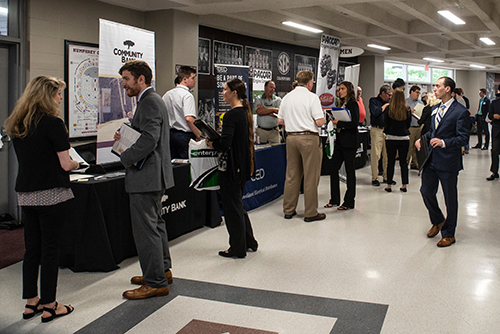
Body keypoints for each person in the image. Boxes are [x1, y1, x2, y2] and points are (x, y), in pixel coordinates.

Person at [4, 76, 77, 322]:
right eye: (57, 94)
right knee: (50, 249)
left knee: (31, 249)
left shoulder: (17, 124)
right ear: (47, 95)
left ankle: (31, 301)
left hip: (26, 193)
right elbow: (65, 163)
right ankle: (50, 304)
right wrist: (77, 163)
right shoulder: (53, 123)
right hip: (52, 194)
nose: (60, 98)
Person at [115, 60, 175, 299]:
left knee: (146, 230)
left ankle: (155, 281)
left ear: (141, 79)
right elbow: (148, 135)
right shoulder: (152, 101)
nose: (124, 85)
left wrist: (125, 156)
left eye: (127, 79)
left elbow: (149, 139)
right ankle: (161, 269)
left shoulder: (149, 101)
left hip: (146, 175)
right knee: (156, 225)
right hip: (153, 175)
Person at [206, 78, 258, 258]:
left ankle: (237, 247)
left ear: (234, 92)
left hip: (231, 168)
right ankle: (248, 241)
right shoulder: (244, 113)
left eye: (225, 89)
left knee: (231, 209)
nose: (223, 92)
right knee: (237, 205)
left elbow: (225, 143)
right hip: (242, 167)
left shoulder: (231, 115)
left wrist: (212, 143)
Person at [416, 76, 470, 247]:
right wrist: (422, 139)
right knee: (426, 191)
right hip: (431, 159)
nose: (434, 89)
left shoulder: (460, 112)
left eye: (438, 86)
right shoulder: (435, 109)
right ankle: (438, 220)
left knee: (450, 198)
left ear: (448, 89)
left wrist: (444, 142)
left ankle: (449, 233)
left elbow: (463, 138)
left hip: (448, 162)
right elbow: (433, 131)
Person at [278, 70, 326, 222]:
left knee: (292, 175)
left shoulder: (287, 97)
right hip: (309, 138)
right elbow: (319, 122)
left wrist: (294, 121)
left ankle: (288, 210)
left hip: (291, 138)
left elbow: (280, 121)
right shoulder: (312, 98)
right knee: (311, 177)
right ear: (310, 82)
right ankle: (310, 212)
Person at [325, 81, 359, 210]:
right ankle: (334, 199)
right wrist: (333, 120)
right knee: (333, 169)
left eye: (343, 88)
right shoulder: (341, 104)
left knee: (350, 172)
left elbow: (354, 123)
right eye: (339, 89)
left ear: (349, 90)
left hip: (350, 142)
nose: (340, 91)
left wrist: (339, 123)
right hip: (339, 142)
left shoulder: (352, 104)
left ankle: (349, 201)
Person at [162, 66, 201, 159]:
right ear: (184, 79)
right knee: (185, 167)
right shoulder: (187, 96)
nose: (195, 81)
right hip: (184, 136)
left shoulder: (167, 94)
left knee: (173, 165)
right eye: (193, 78)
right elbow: (189, 119)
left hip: (170, 135)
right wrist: (199, 134)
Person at [384, 90, 411, 192]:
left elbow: (385, 123)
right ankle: (404, 185)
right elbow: (408, 124)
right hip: (404, 138)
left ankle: (389, 185)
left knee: (390, 162)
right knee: (403, 162)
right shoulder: (407, 109)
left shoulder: (388, 109)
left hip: (391, 138)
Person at [369, 85, 392, 186]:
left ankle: (387, 177)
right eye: (389, 95)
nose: (390, 97)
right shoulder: (373, 101)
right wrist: (385, 106)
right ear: (383, 93)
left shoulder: (390, 103)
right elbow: (376, 112)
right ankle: (375, 177)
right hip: (376, 130)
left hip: (387, 130)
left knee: (387, 155)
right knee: (376, 155)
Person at [254, 80, 282, 144]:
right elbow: (259, 111)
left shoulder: (278, 100)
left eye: (274, 88)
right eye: (271, 87)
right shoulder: (258, 99)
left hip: (274, 132)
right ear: (265, 87)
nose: (272, 89)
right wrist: (273, 109)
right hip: (261, 132)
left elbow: (279, 112)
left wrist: (264, 109)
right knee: (261, 151)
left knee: (276, 152)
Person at [406, 85, 424, 170]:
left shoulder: (420, 103)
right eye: (416, 92)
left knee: (417, 146)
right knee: (409, 146)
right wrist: (409, 111)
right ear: (411, 92)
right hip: (410, 127)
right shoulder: (406, 102)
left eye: (419, 93)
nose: (418, 94)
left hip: (419, 127)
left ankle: (414, 162)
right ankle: (406, 162)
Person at [487, 85, 500, 181]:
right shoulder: (494, 103)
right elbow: (490, 115)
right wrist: (493, 116)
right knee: (494, 151)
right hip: (497, 130)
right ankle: (494, 172)